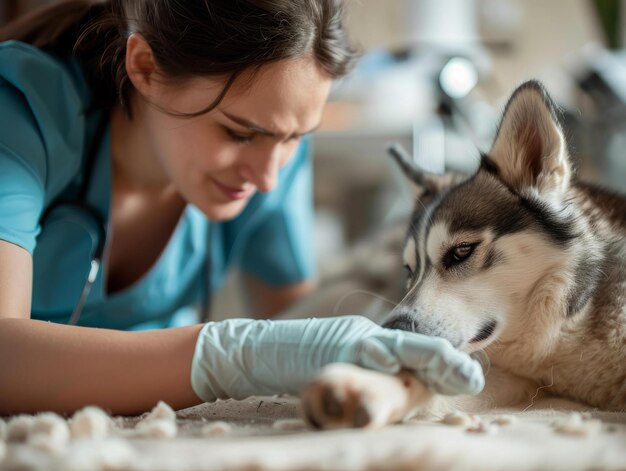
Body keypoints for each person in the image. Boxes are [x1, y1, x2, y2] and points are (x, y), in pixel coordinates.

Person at [0, 0, 484, 416]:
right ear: (145, 67)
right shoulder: (21, 111)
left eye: (295, 137)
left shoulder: (274, 162)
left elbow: (301, 333)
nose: (269, 176)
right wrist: (233, 355)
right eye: (239, 133)